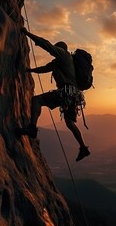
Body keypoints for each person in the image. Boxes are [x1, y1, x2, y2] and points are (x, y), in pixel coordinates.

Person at [17, 27, 90, 162]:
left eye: (56, 50)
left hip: (65, 93)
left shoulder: (64, 55)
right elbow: (45, 68)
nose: (54, 52)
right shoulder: (58, 63)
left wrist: (27, 34)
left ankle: (32, 128)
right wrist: (30, 70)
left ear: (60, 49)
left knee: (37, 100)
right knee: (69, 123)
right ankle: (83, 148)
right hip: (73, 96)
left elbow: (46, 45)